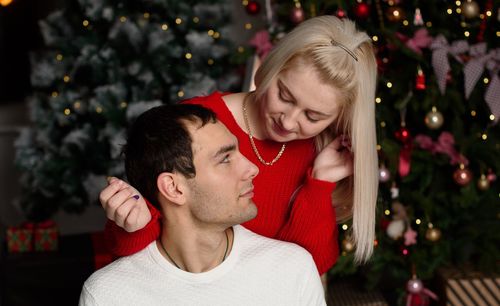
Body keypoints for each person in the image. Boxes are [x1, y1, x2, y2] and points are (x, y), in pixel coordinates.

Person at [100, 15, 378, 281]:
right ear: (271, 66)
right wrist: (132, 224)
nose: (289, 121)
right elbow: (129, 253)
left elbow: (306, 271)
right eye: (284, 96)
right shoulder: (199, 125)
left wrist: (319, 185)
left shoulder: (322, 149)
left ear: (339, 118)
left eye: (313, 116)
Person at [80, 104, 326, 305]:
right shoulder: (107, 295)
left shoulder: (291, 269)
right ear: (174, 188)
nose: (252, 168)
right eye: (225, 159)